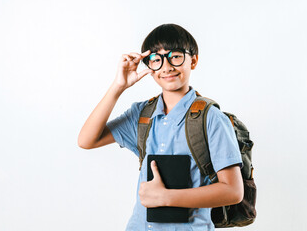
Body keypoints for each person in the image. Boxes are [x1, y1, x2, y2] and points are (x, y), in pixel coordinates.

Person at [78, 23, 244, 231]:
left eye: (175, 56)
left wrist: (166, 197)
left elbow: (233, 191)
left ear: (193, 60)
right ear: (149, 66)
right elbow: (86, 140)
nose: (166, 67)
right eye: (156, 59)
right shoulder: (142, 115)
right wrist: (118, 86)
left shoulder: (211, 118)